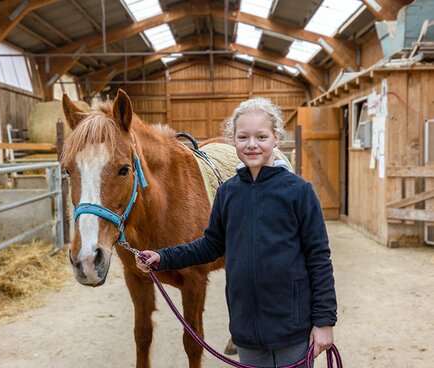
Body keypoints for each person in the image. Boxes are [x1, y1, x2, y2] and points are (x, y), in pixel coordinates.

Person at [136, 97, 337, 368]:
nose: (252, 144)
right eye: (243, 137)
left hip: (292, 328)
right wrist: (163, 257)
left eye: (261, 136)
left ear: (276, 138)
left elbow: (319, 258)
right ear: (233, 140)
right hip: (246, 331)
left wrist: (324, 321)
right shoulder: (228, 192)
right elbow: (210, 245)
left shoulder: (299, 192)